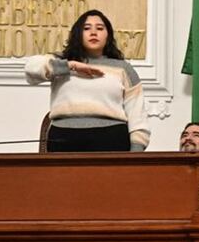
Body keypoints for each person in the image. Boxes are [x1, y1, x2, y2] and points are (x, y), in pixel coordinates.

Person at [25, 10, 148, 152]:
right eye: (87, 28)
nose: (94, 33)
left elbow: (137, 115)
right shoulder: (62, 62)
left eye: (100, 28)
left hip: (112, 139)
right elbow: (30, 69)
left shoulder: (123, 69)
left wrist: (135, 153)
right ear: (78, 34)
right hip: (63, 138)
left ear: (108, 35)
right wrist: (70, 65)